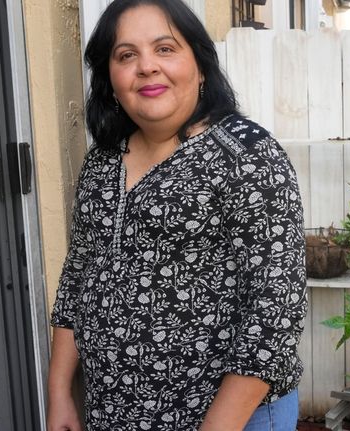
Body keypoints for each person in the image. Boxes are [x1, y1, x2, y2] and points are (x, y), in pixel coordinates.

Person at [46, 1, 307, 430]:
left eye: (165, 48)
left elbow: (275, 312)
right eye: (126, 55)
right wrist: (60, 394)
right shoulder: (103, 162)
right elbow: (77, 279)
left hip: (230, 418)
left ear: (201, 66)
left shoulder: (246, 156)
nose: (147, 66)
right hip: (116, 413)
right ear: (110, 79)